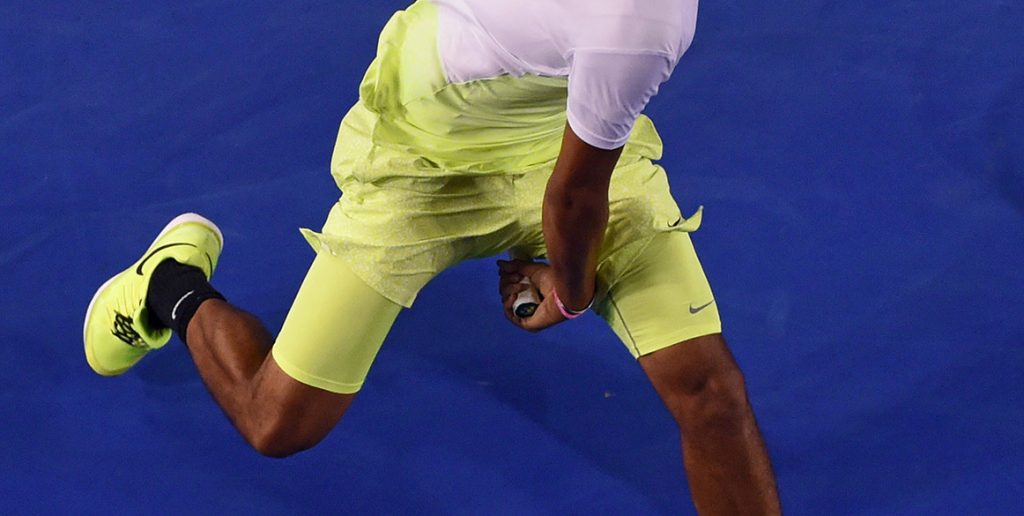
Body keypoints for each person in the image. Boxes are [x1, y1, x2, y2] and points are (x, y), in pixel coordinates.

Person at [84, 0, 781, 512]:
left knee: (710, 393)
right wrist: (567, 297)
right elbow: (570, 207)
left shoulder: (648, 19)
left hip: (560, 138)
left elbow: (572, 192)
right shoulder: (642, 20)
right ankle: (169, 284)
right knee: (276, 423)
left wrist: (567, 279)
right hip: (423, 160)